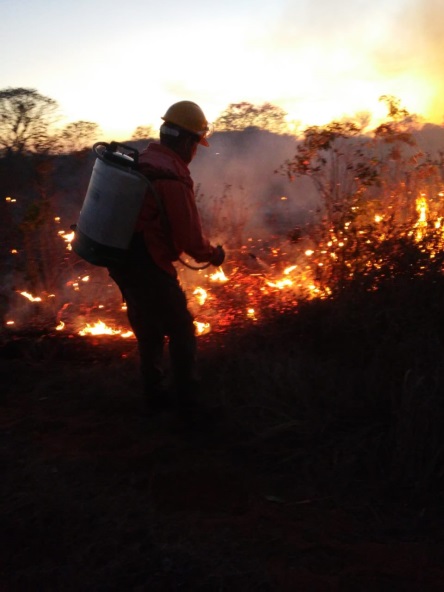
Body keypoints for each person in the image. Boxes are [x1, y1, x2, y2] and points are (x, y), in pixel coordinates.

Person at [108, 101, 225, 415]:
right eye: (196, 145)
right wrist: (214, 255)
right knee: (182, 330)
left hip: (119, 259)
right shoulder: (171, 175)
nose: (195, 152)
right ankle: (189, 404)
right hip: (147, 262)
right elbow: (190, 240)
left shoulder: (144, 159)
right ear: (187, 142)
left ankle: (154, 395)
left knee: (147, 327)